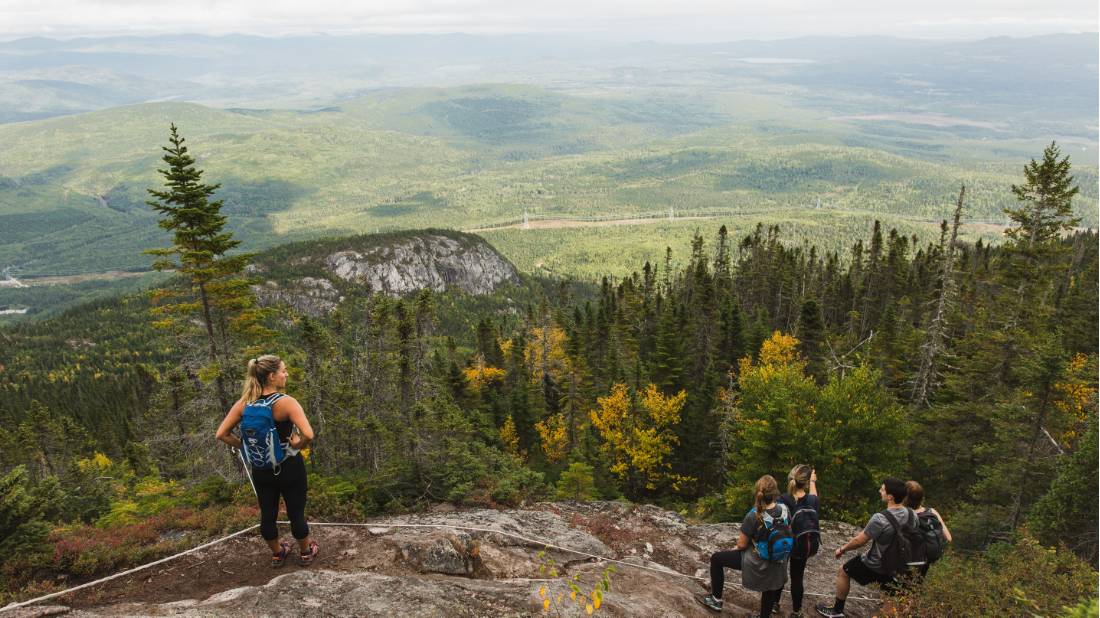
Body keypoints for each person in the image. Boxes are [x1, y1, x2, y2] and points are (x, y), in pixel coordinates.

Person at [216, 354, 319, 568]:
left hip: (261, 468)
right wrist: (297, 445)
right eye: (283, 371)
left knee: (268, 513)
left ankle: (277, 553)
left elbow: (221, 434)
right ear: (271, 376)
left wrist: (244, 446)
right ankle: (305, 552)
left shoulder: (244, 404)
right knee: (296, 512)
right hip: (289, 466)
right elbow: (309, 434)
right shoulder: (286, 402)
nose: (286, 374)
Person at [815, 478, 916, 618]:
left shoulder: (880, 518)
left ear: (890, 497)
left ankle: (837, 611)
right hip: (899, 565)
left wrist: (842, 549)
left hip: (876, 564)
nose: (879, 491)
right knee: (890, 595)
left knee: (844, 571)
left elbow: (859, 541)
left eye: (882, 489)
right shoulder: (912, 514)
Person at [699, 475, 791, 617]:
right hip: (779, 561)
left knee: (716, 559)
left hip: (758, 561)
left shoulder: (754, 515)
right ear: (775, 492)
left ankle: (716, 600)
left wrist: (739, 547)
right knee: (771, 583)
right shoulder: (785, 510)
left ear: (758, 493)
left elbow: (741, 544)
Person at [777, 465, 820, 617]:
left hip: (784, 543)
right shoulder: (812, 500)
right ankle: (796, 611)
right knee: (797, 577)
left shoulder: (782, 499)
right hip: (801, 545)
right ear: (806, 482)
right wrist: (813, 482)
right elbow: (814, 496)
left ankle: (774, 604)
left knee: (779, 573)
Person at [903, 480, 952, 576]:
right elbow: (949, 538)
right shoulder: (931, 511)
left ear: (904, 498)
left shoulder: (904, 515)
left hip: (909, 563)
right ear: (922, 497)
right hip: (926, 562)